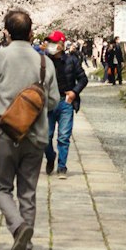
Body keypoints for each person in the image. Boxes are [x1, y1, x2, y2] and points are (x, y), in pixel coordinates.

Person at [0, 8, 59, 250]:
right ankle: (27, 246)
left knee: (0, 188)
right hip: (36, 137)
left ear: (6, 32)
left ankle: (18, 227)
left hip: (4, 133)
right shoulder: (45, 62)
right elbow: (54, 101)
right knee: (28, 192)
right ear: (32, 33)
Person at [42, 30, 88, 178]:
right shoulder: (44, 60)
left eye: (54, 43)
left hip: (65, 102)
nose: (51, 45)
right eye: (50, 42)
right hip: (48, 102)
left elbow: (83, 79)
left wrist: (74, 92)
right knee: (45, 137)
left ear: (61, 44)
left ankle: (62, 166)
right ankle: (50, 157)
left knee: (63, 136)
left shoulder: (72, 60)